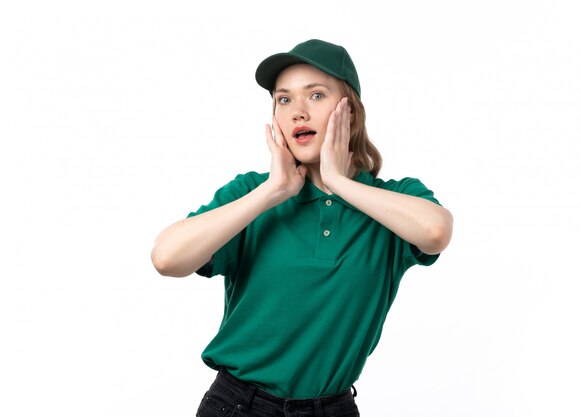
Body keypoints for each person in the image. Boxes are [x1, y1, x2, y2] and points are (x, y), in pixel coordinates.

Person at [151, 39, 453, 417]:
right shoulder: (251, 194)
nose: (298, 112)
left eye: (316, 95)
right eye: (284, 99)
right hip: (239, 406)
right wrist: (273, 191)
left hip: (333, 409)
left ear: (352, 113)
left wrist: (340, 182)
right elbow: (166, 258)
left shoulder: (392, 201)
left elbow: (436, 232)